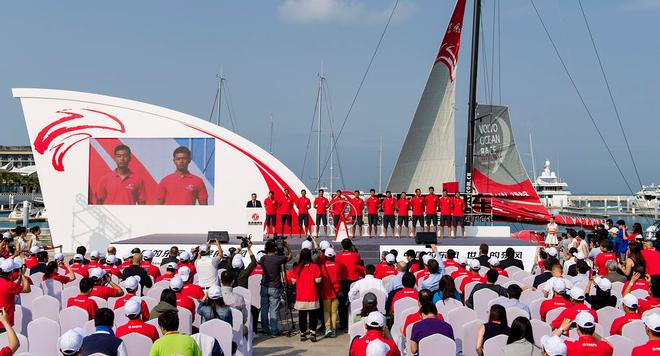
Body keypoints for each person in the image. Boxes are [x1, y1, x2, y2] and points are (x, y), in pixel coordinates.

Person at [259, 238, 292, 336]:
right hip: (275, 287)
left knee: (264, 309)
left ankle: (265, 329)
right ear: (275, 249)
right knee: (274, 309)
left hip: (264, 286)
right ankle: (274, 330)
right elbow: (289, 257)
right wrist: (287, 246)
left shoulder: (263, 258)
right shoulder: (279, 258)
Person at [291, 248, 322, 342]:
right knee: (313, 316)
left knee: (302, 316)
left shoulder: (297, 267)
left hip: (301, 296)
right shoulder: (315, 266)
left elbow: (293, 281)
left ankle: (303, 333)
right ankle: (313, 332)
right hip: (312, 294)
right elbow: (318, 280)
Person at [336, 238, 361, 331]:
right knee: (355, 303)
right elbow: (358, 263)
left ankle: (343, 325)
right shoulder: (356, 255)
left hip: (342, 282)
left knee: (342, 305)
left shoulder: (338, 256)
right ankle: (356, 323)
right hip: (353, 282)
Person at [0, 258, 30, 329]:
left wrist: (19, 279)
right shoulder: (9, 285)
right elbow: (27, 289)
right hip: (4, 323)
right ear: (12, 271)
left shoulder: (8, 284)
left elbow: (13, 288)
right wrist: (22, 275)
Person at [320, 247, 341, 337]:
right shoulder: (338, 265)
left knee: (326, 311)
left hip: (325, 292)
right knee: (333, 312)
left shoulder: (322, 267)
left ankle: (328, 328)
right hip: (336, 292)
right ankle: (333, 329)